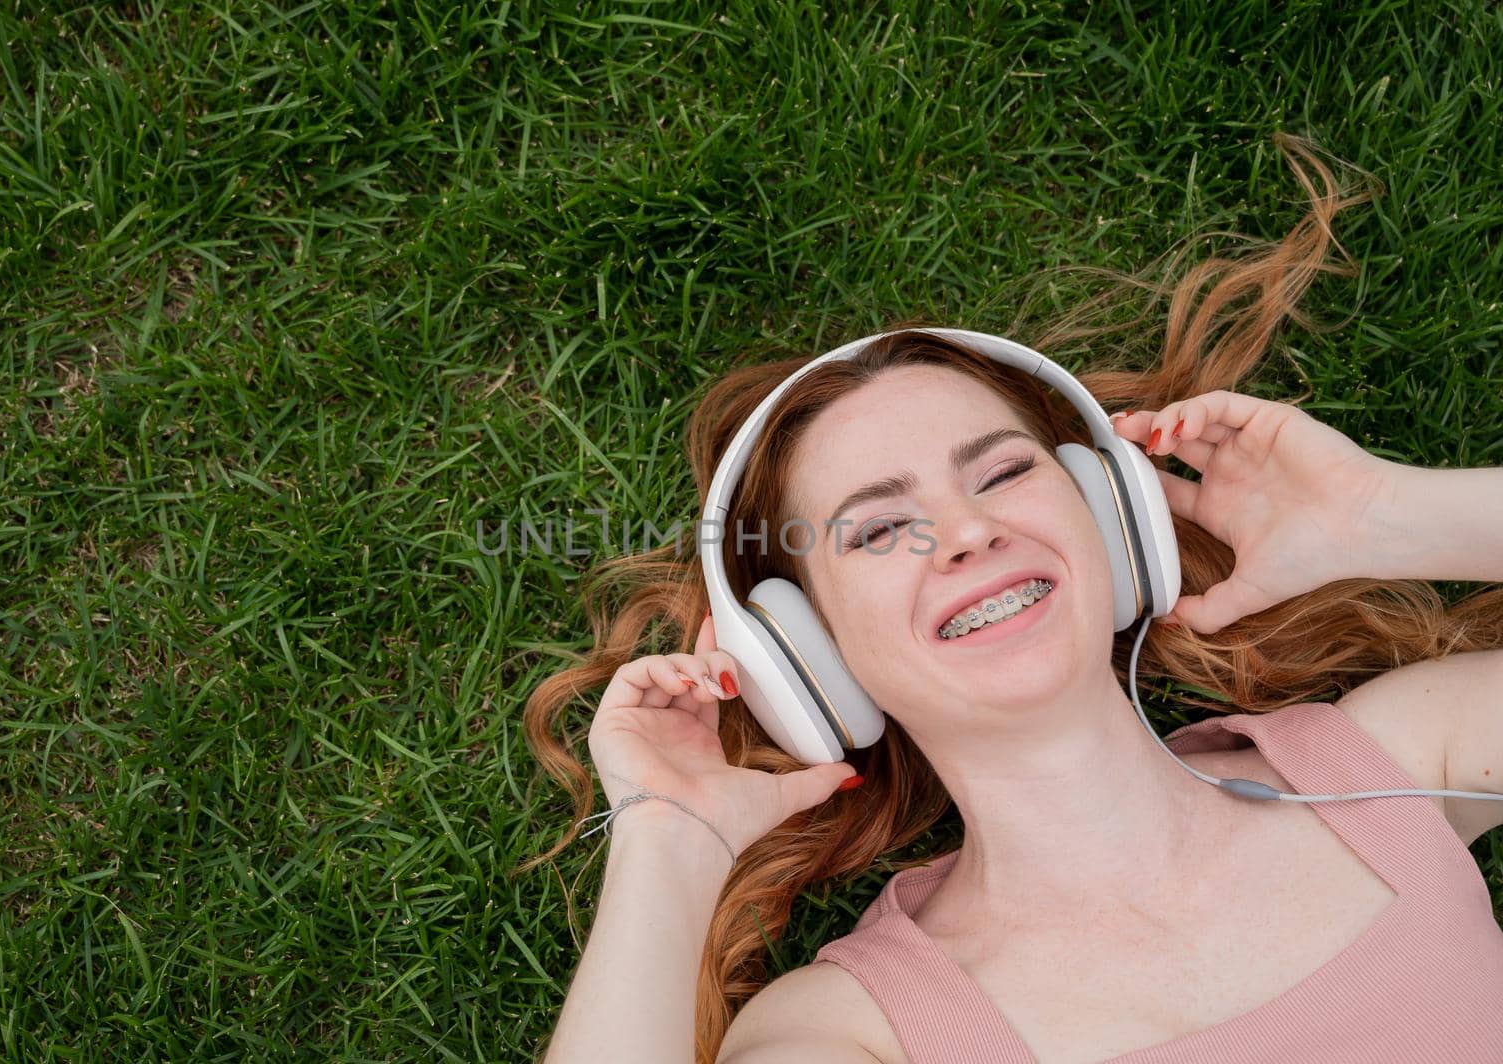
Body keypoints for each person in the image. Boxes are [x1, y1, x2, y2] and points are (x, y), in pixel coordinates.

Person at [521, 135, 1503, 1064]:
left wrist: (1385, 514)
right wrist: (668, 843)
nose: (966, 531)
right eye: (875, 529)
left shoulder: (1391, 767)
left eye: (999, 473)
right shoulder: (863, 1028)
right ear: (805, 658)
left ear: (1114, 521)